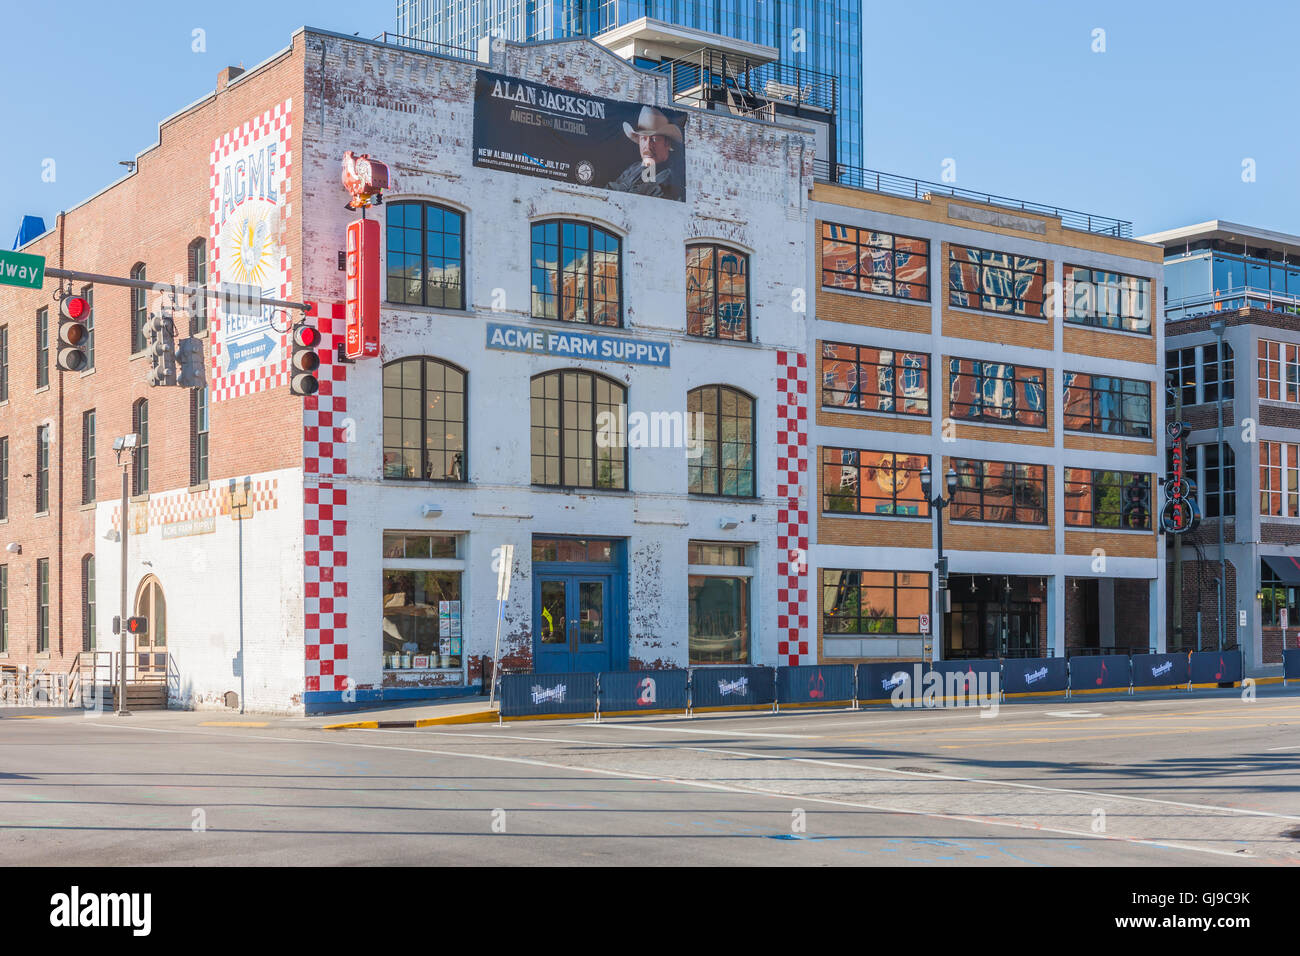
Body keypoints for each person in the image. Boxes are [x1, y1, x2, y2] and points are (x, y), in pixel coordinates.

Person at [607, 106, 684, 200]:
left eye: (654, 139)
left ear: (667, 143)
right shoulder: (634, 168)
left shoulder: (671, 178)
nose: (648, 146)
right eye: (643, 138)